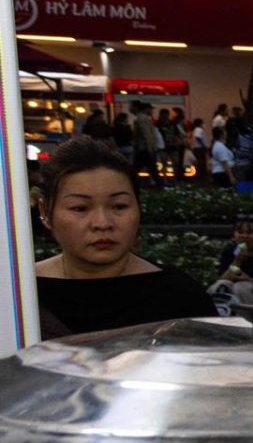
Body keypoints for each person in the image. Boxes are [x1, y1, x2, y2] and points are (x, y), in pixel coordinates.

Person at [32, 137, 215, 338]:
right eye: (80, 208)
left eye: (119, 206)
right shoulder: (20, 293)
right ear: (45, 212)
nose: (102, 223)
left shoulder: (181, 297)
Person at [191, 118, 209, 184]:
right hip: (199, 148)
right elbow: (198, 137)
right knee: (201, 163)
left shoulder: (196, 129)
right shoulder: (198, 129)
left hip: (198, 148)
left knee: (200, 163)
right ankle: (201, 178)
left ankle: (200, 177)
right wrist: (204, 145)